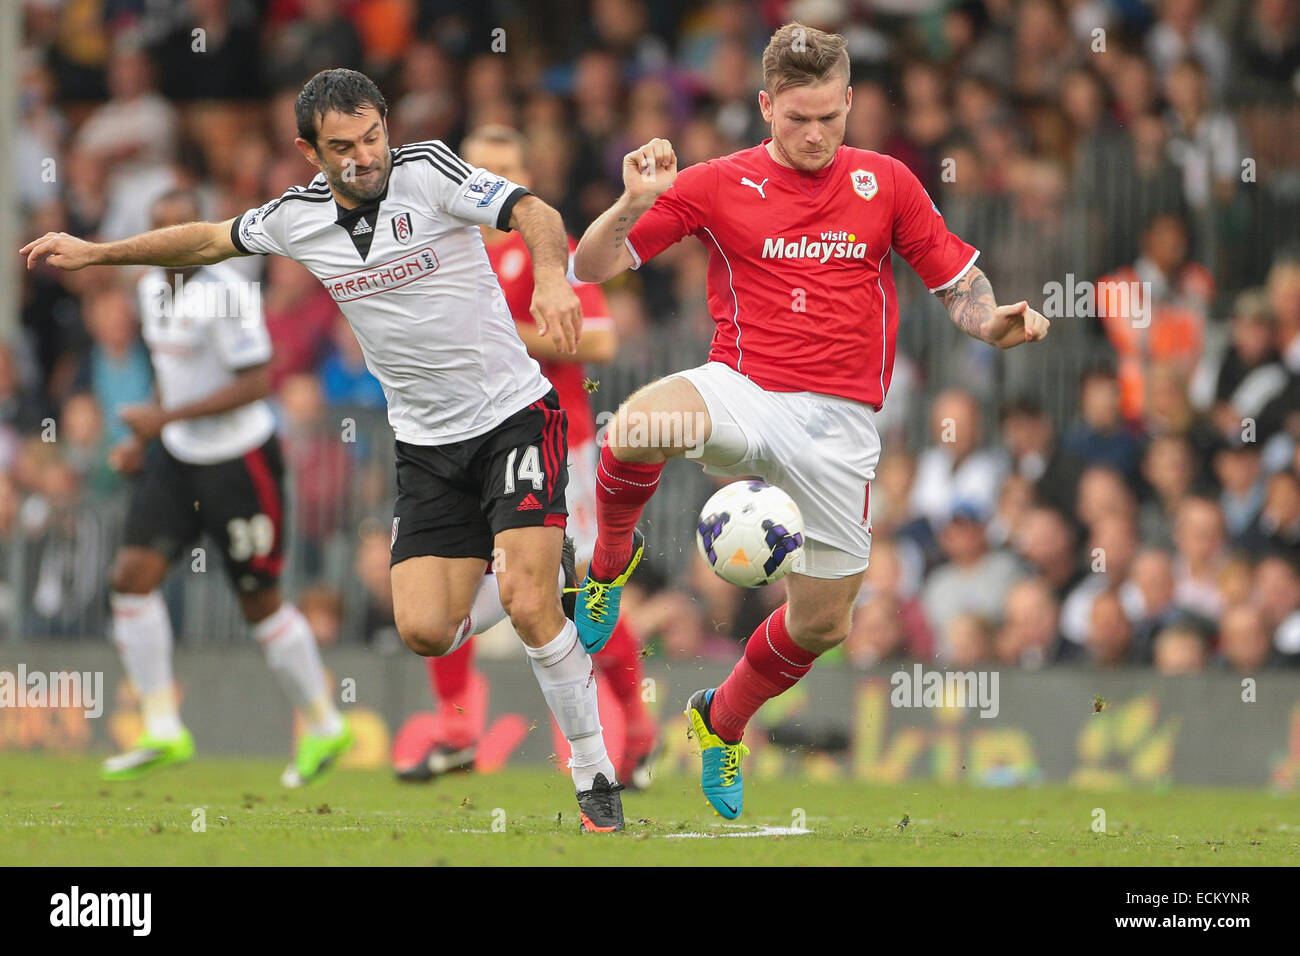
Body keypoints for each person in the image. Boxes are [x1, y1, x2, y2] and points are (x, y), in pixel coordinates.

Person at [22, 69, 625, 832]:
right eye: (343, 147)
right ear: (311, 151)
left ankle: (595, 770)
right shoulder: (295, 218)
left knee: (529, 604)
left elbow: (532, 209)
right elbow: (209, 239)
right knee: (426, 632)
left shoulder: (429, 170)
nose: (365, 156)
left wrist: (549, 275)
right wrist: (97, 252)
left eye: (373, 136)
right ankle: (542, 571)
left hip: (513, 415)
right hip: (425, 445)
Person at [570, 23, 1050, 819]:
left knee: (823, 623)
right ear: (765, 107)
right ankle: (609, 562)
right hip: (744, 387)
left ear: (851, 101)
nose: (816, 132)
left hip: (841, 427)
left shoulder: (887, 182)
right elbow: (589, 268)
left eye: (830, 115)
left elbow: (954, 283)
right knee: (634, 427)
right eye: (798, 117)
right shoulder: (717, 182)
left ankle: (719, 721)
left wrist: (992, 321)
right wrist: (630, 203)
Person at [395, 125, 660, 789]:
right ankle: (457, 733)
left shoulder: (542, 248)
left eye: (504, 166)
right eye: (479, 165)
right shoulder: (438, 246)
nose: (490, 177)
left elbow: (599, 339)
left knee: (572, 595)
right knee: (447, 569)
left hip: (551, 442)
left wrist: (497, 328)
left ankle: (638, 725)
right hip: (458, 445)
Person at [96, 188, 350, 786]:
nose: (166, 242)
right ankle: (162, 728)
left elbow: (258, 381)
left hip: (240, 464)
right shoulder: (150, 289)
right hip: (179, 459)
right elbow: (171, 373)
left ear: (197, 231)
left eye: (176, 228)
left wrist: (164, 422)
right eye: (156, 229)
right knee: (130, 580)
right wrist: (149, 435)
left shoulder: (230, 293)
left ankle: (322, 725)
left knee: (259, 603)